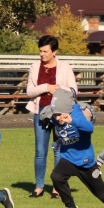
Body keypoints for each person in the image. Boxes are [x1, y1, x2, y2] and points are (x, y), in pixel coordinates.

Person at [45, 89, 104, 208]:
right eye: (55, 114)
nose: (57, 118)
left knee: (102, 195)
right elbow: (65, 133)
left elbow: (89, 128)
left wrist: (72, 121)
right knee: (56, 177)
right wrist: (59, 141)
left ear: (66, 110)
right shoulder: (56, 117)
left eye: (60, 114)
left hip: (85, 161)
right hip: (68, 158)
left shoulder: (76, 113)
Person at [25, 35, 78, 198]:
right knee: (40, 151)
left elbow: (74, 90)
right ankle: (39, 186)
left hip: (60, 113)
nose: (42, 54)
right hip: (40, 112)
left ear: (54, 51)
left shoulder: (65, 67)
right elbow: (29, 92)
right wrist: (46, 87)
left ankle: (57, 187)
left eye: (45, 51)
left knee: (58, 149)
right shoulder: (34, 67)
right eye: (40, 51)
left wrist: (59, 89)